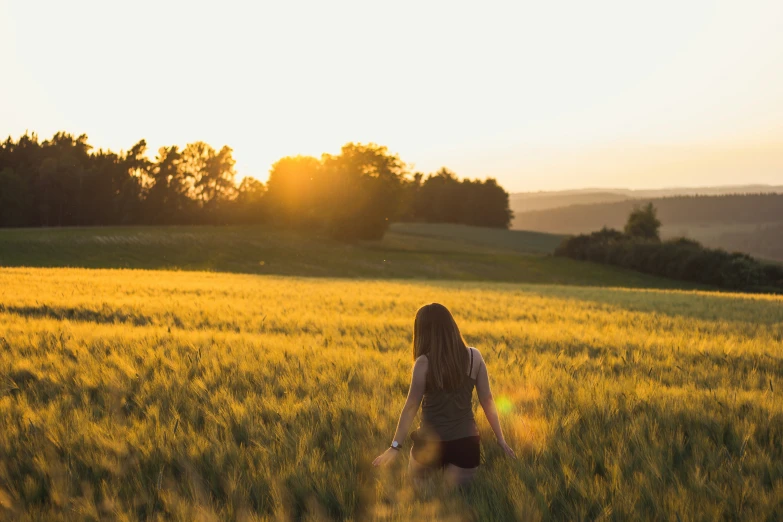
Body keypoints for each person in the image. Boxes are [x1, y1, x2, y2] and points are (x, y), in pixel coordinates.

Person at [372, 303, 516, 487]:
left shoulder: (423, 363)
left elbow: (410, 407)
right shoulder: (475, 357)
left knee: (421, 503)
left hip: (428, 445)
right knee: (460, 505)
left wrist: (394, 447)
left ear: (422, 332)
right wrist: (501, 440)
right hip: (465, 445)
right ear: (451, 326)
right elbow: (487, 400)